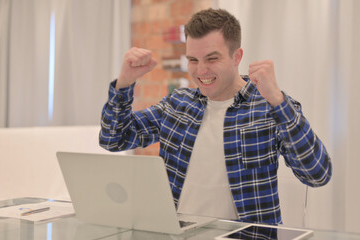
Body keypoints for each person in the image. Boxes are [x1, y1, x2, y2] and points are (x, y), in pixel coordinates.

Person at [99, 8, 332, 225]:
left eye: (212, 59)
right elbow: (113, 139)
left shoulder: (269, 106)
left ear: (236, 56)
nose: (201, 71)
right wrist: (125, 82)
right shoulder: (177, 104)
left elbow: (317, 175)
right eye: (193, 60)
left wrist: (278, 101)